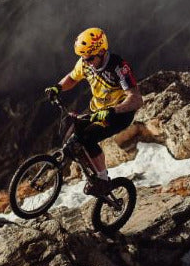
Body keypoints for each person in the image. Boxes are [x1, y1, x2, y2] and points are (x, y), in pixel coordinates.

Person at [45, 27, 142, 196]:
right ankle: (91, 174)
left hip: (118, 114)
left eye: (89, 58)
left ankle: (103, 180)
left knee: (88, 138)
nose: (86, 61)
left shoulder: (119, 67)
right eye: (83, 57)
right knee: (70, 138)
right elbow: (72, 77)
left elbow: (136, 99)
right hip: (96, 109)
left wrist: (113, 111)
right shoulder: (85, 62)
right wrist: (58, 87)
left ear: (102, 52)